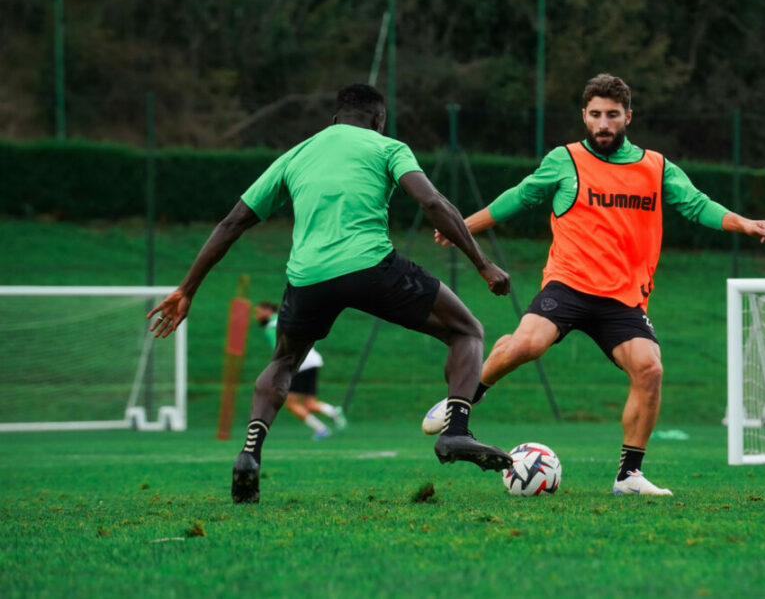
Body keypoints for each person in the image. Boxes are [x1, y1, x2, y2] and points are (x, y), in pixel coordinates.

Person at [147, 83, 514, 504]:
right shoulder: (388, 147)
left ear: (335, 118)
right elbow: (432, 202)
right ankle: (455, 432)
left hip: (307, 279)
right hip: (371, 267)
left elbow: (231, 224)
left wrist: (186, 289)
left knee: (284, 360)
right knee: (466, 330)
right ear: (379, 120)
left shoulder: (295, 155)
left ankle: (249, 454)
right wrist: (482, 263)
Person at [421, 73, 765, 496]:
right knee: (527, 345)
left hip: (623, 298)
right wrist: (463, 228)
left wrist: (743, 223)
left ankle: (629, 476)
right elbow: (517, 198)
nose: (604, 123)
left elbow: (696, 203)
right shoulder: (566, 159)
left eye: (612, 115)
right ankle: (465, 397)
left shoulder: (655, 166)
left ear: (628, 116)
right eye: (595, 115)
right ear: (584, 117)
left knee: (650, 369)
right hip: (569, 284)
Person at [253, 300, 345, 439]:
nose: (256, 316)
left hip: (300, 364)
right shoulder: (286, 318)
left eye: (258, 312)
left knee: (291, 404)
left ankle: (321, 429)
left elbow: (280, 351)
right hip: (313, 359)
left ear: (267, 311)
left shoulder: (272, 326)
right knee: (309, 403)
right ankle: (333, 412)